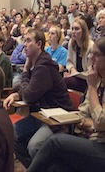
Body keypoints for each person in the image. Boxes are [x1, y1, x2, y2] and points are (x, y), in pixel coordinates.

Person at [27, 37, 105, 172]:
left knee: (54, 142)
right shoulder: (97, 81)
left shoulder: (93, 83)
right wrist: (92, 125)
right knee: (54, 167)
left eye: (97, 55)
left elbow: (99, 121)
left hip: (101, 146)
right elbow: (82, 114)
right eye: (91, 53)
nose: (91, 58)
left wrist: (91, 88)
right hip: (89, 138)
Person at [3, 28, 73, 168]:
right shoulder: (36, 64)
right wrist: (17, 94)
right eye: (24, 40)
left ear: (39, 44)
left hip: (58, 119)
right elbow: (30, 90)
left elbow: (29, 95)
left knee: (34, 146)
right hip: (42, 115)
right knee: (12, 133)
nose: (24, 44)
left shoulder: (43, 66)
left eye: (28, 41)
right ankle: (35, 168)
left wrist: (24, 71)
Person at [64, 18, 94, 93]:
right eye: (72, 29)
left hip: (86, 79)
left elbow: (90, 70)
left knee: (63, 82)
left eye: (77, 29)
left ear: (83, 31)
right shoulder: (71, 42)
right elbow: (69, 62)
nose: (73, 32)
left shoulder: (91, 46)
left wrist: (75, 75)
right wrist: (72, 70)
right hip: (74, 75)